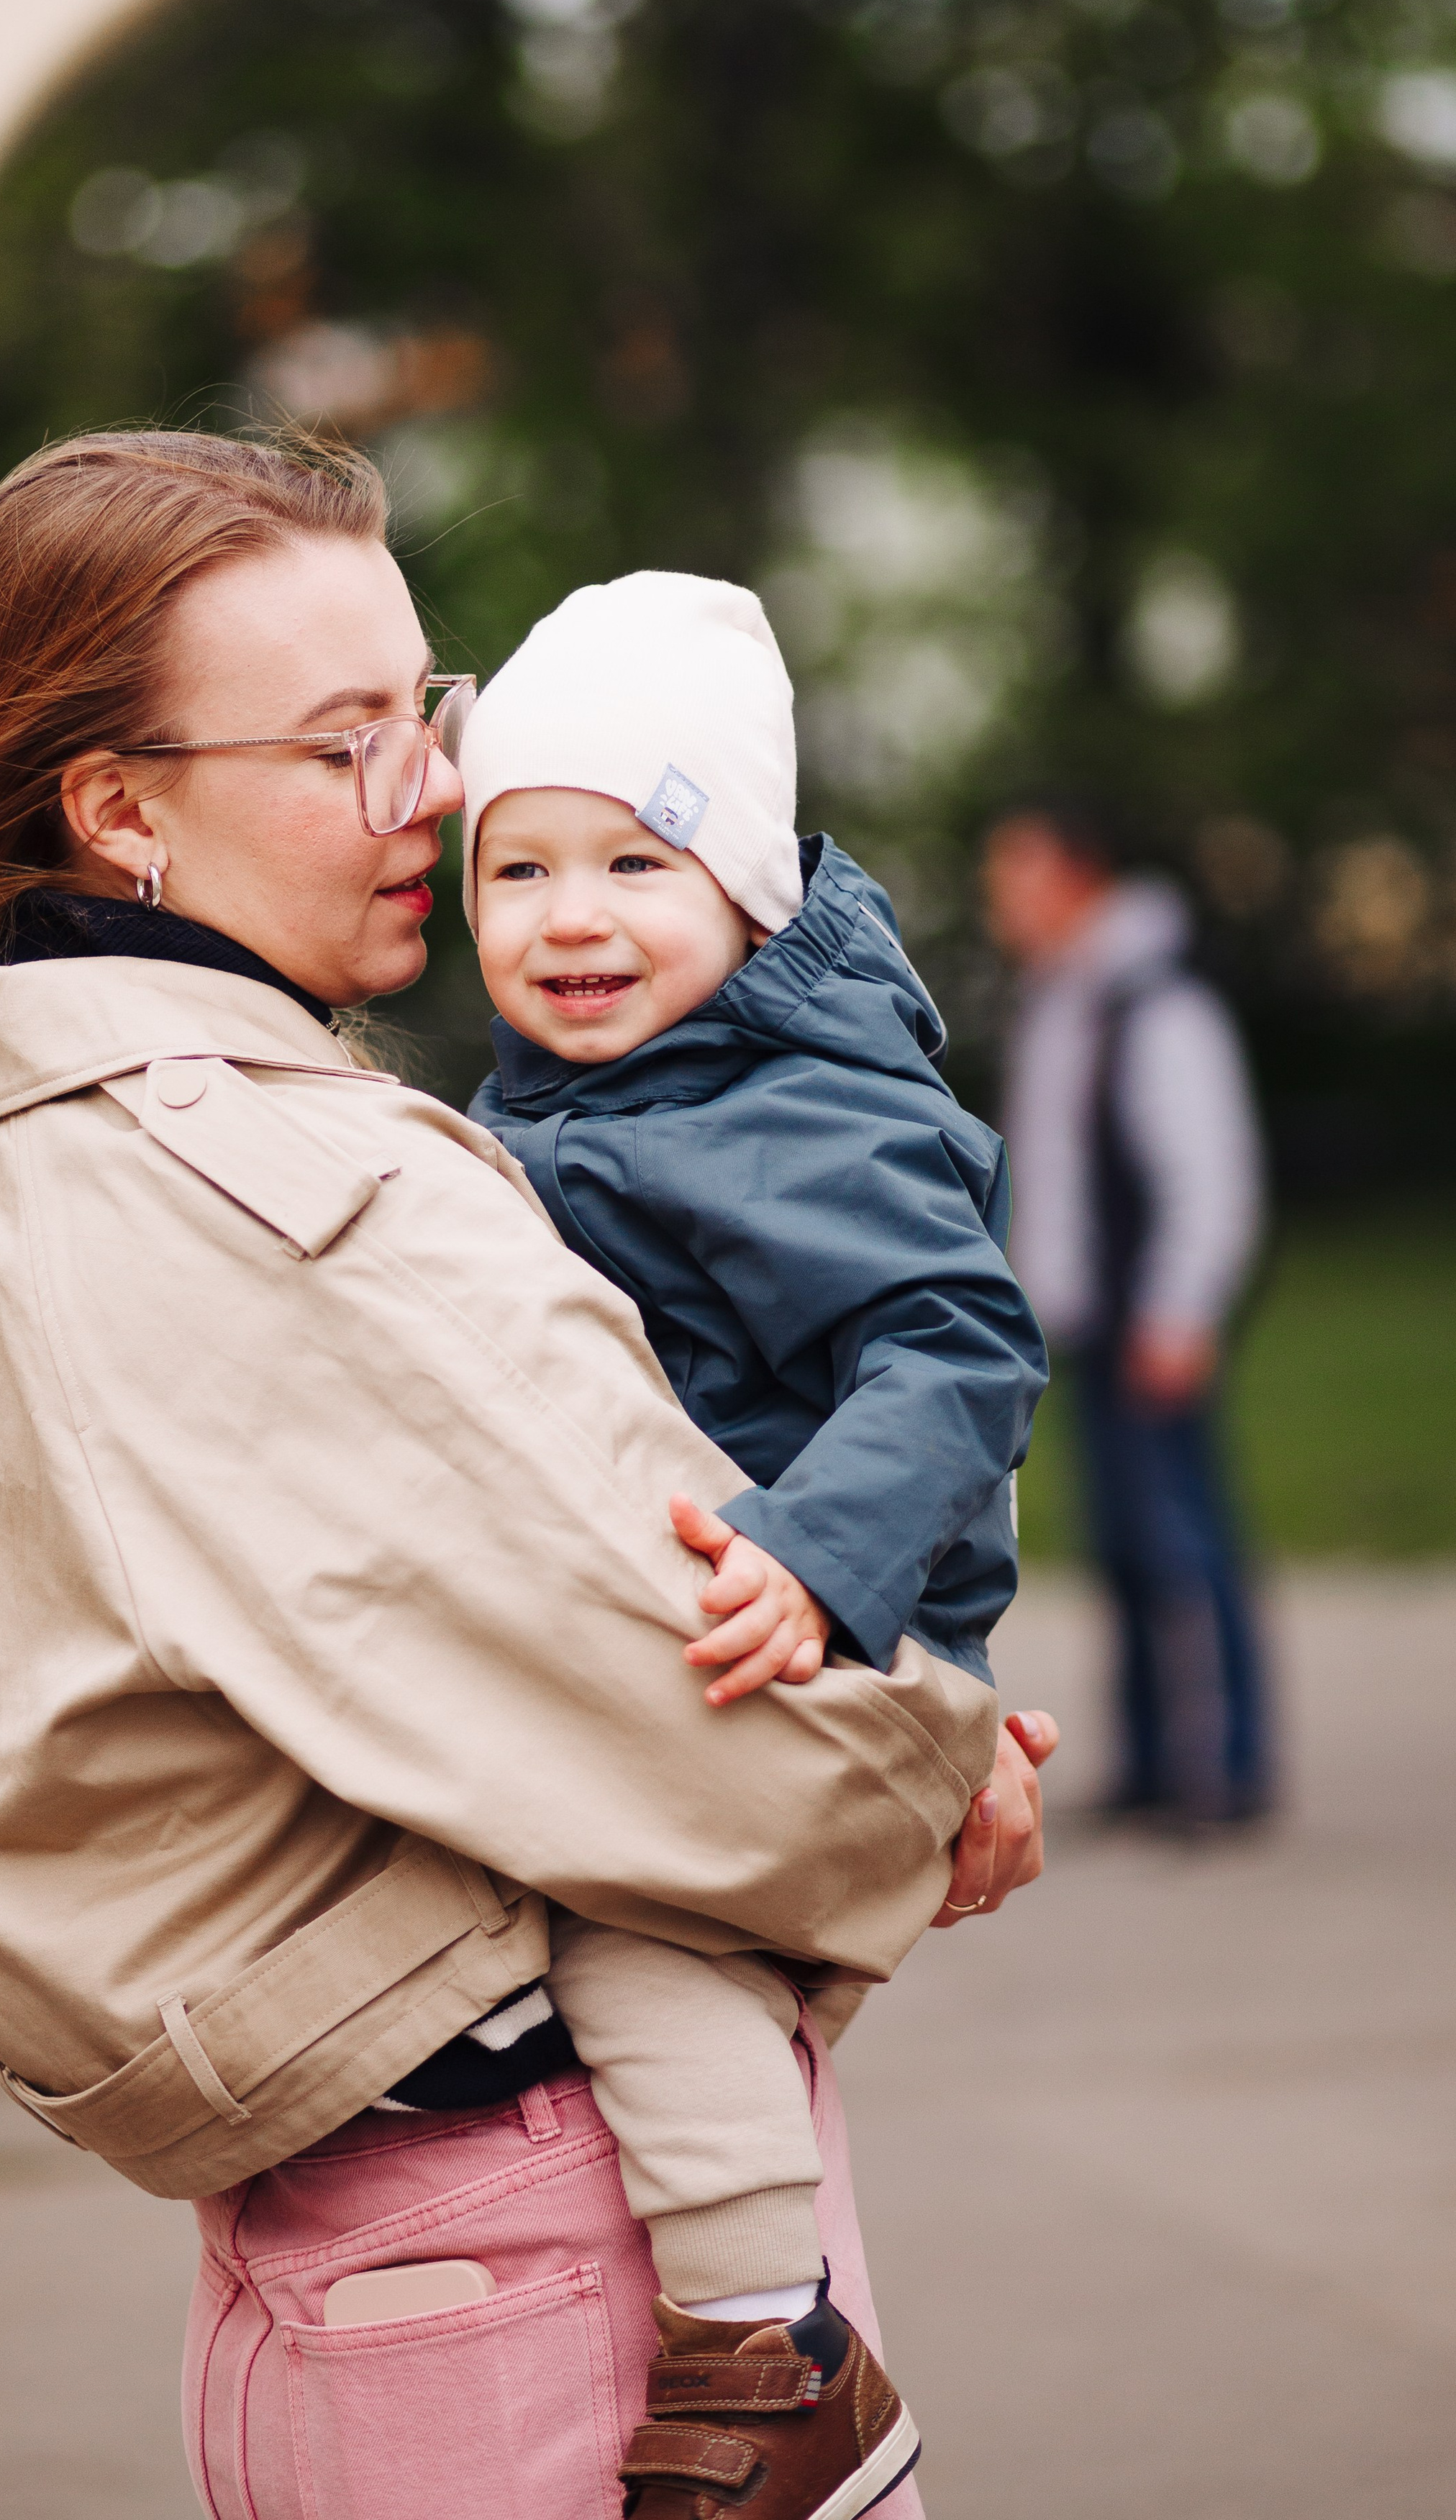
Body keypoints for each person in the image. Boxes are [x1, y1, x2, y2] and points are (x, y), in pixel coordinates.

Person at [0, 431, 1055, 2520]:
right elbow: (695, 1713)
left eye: (424, 715)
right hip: (547, 2279)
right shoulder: (279, 1181)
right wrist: (941, 1755)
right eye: (348, 741)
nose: (436, 796)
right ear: (122, 811)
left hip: (369, 2269)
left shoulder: (26, 1109)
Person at [458, 572, 1050, 2520]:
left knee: (645, 1934)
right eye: (517, 870)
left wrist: (829, 1565)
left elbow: (958, 1344)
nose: (570, 919)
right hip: (769, 1638)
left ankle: (767, 2344)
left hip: (808, 1628)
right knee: (673, 1953)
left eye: (635, 858)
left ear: (753, 892)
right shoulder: (580, 1097)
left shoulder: (784, 1108)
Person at [981, 800, 1269, 1825]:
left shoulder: (1155, 1005)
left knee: (1187, 1540)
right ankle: (1152, 1761)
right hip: (1091, 1320)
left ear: (1074, 874)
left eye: (1016, 875)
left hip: (1150, 1319)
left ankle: (1229, 1765)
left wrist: (1180, 1308)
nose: (1000, 901)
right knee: (1126, 1544)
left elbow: (1209, 1173)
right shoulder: (1066, 998)